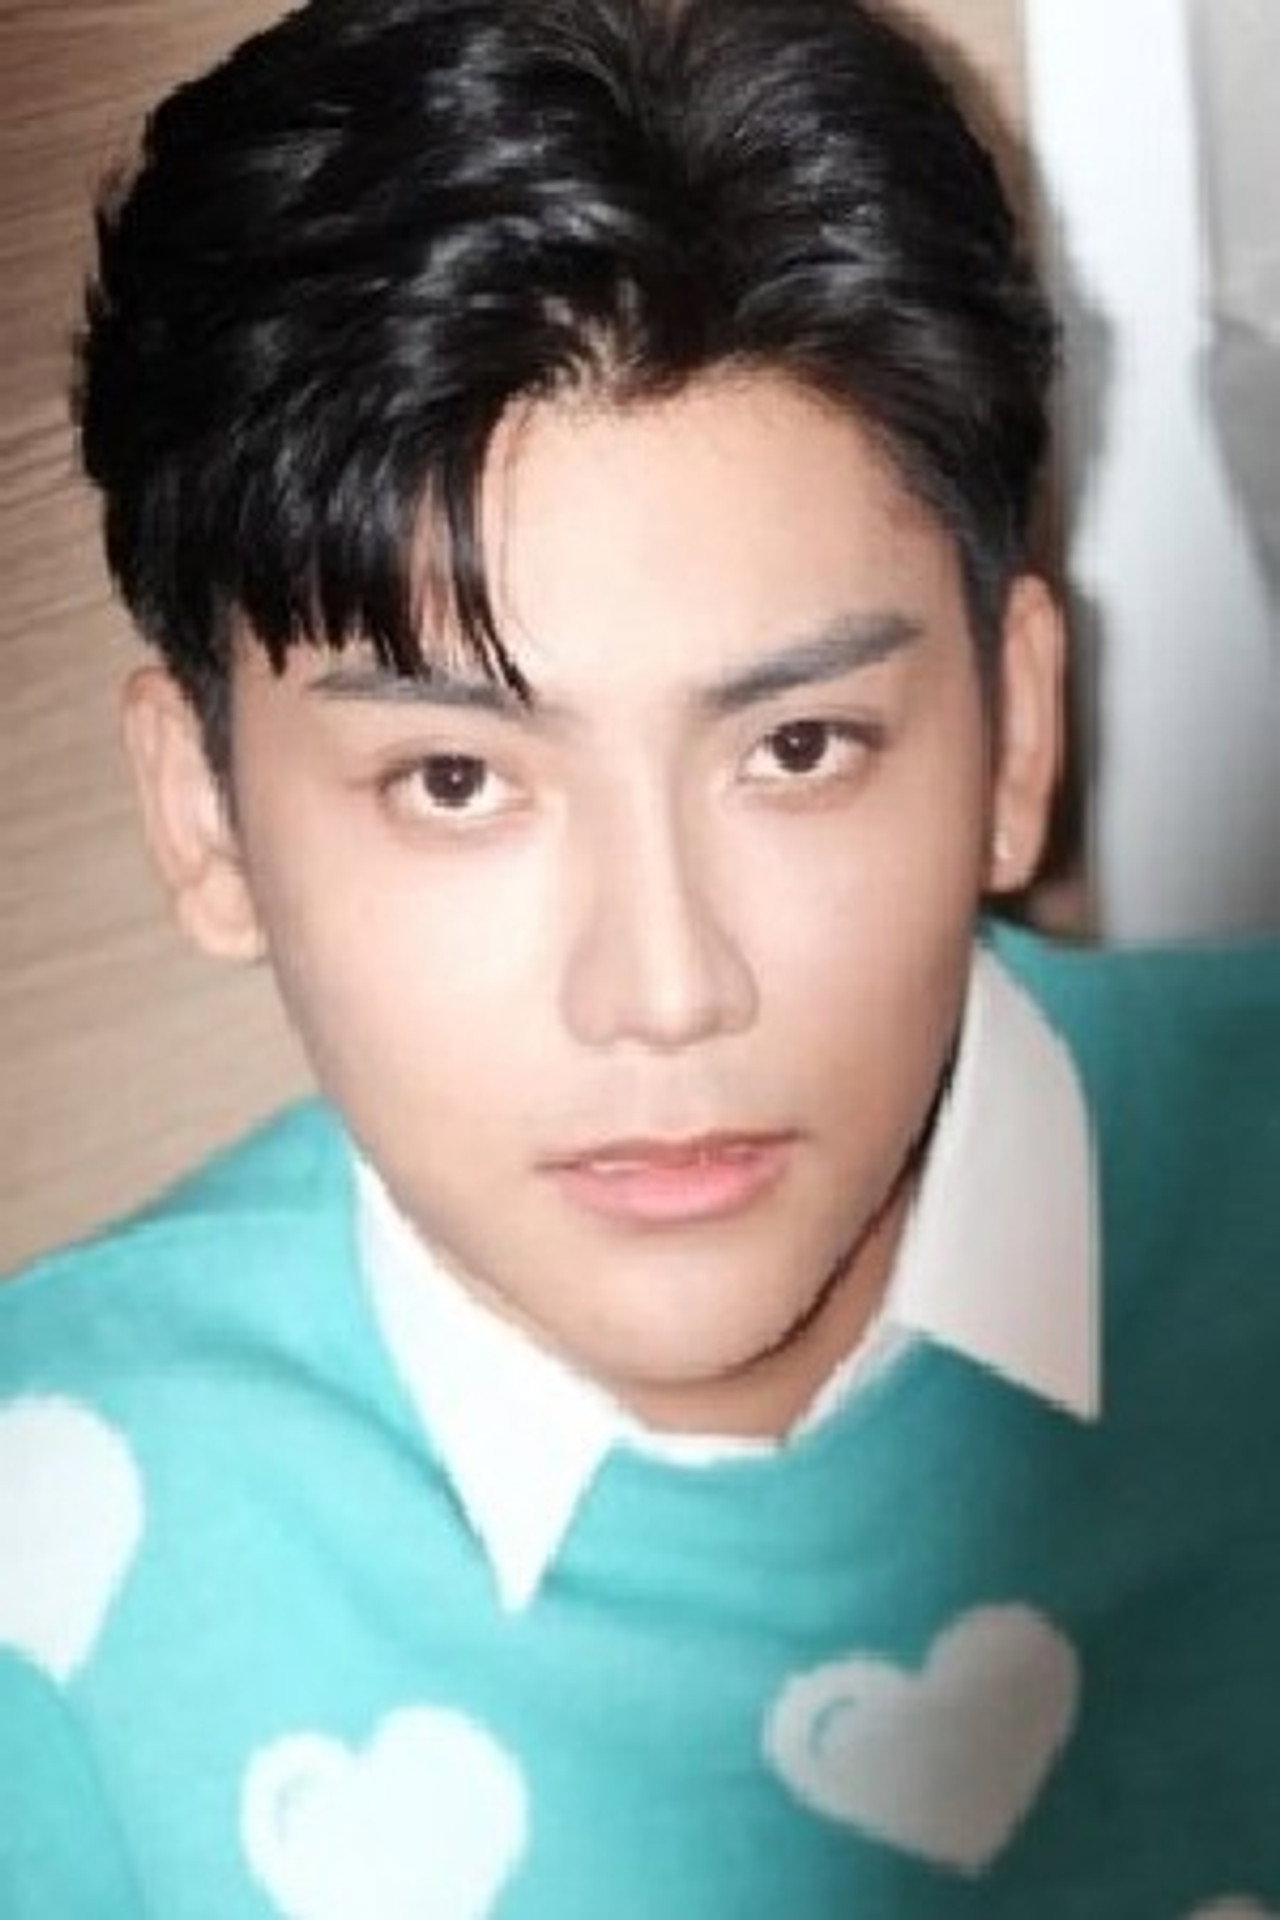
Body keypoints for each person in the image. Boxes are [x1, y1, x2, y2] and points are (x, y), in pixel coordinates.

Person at [1, 0, 1277, 1913]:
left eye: (798, 748)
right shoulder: (45, 1541)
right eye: (454, 781)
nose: (666, 990)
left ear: (1016, 734)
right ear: (206, 818)